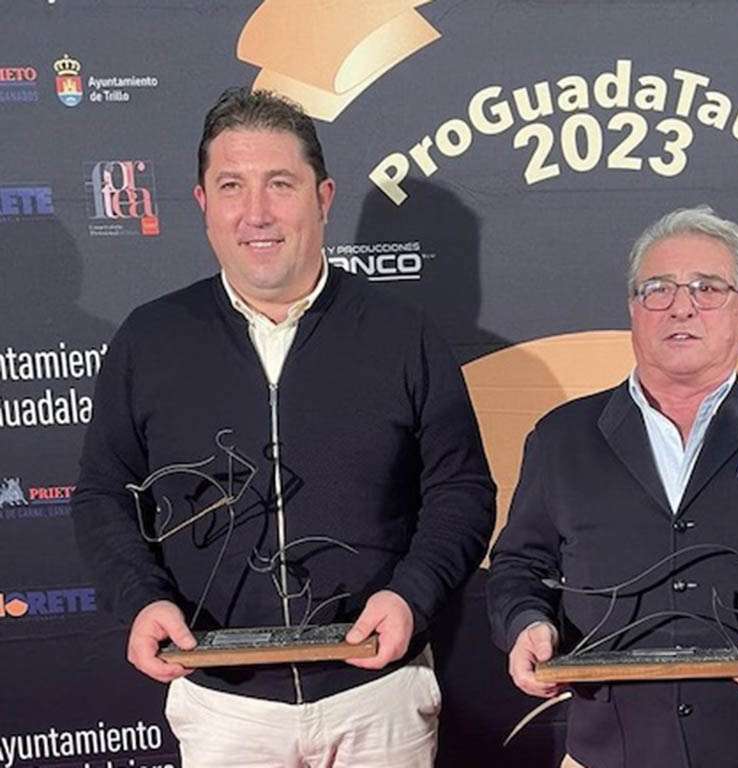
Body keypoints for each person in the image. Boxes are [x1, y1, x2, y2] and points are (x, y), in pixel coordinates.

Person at [72, 88, 496, 768]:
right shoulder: (150, 339)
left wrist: (409, 595)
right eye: (232, 186)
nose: (257, 213)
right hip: (221, 702)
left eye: (281, 184)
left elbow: (462, 491)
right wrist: (140, 599)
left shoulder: (401, 334)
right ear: (204, 203)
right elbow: (102, 496)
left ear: (322, 198)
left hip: (378, 696)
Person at [487, 205, 738, 768]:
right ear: (633, 310)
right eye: (658, 289)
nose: (681, 306)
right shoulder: (560, 438)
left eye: (707, 287)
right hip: (605, 753)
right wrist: (526, 622)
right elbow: (517, 568)